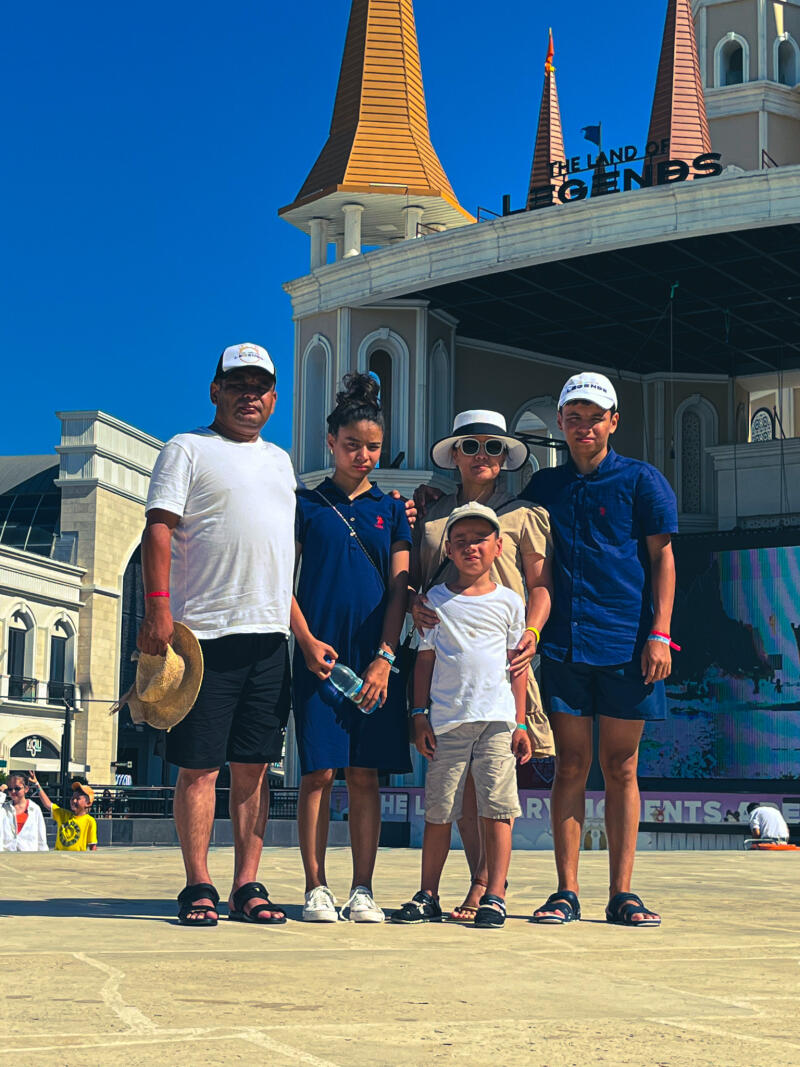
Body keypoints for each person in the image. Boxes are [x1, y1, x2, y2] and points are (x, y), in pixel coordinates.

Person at [138, 342, 295, 926]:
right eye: (238, 384)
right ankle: (198, 883)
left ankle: (247, 883)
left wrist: (298, 633)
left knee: (255, 767)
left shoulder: (281, 462)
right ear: (215, 390)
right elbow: (158, 530)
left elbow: (281, 558)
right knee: (200, 767)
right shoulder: (187, 448)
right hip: (203, 636)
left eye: (259, 387)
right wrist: (158, 608)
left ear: (274, 398)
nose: (248, 395)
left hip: (268, 636)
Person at [522, 372, 676, 928]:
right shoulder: (545, 488)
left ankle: (622, 893)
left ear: (613, 421)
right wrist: (427, 505)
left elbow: (662, 559)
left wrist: (659, 634)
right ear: (561, 423)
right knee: (570, 766)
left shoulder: (642, 481)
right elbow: (495, 526)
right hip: (563, 647)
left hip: (627, 647)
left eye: (595, 417)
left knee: (621, 766)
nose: (584, 426)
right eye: (574, 417)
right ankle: (565, 890)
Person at [411, 409, 552, 921]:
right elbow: (417, 584)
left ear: (506, 457)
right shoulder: (430, 517)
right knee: (458, 789)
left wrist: (531, 635)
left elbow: (539, 586)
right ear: (453, 454)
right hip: (450, 668)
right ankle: (475, 881)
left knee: (492, 787)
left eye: (493, 447)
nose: (482, 456)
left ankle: (491, 887)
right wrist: (412, 604)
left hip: (506, 662)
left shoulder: (523, 515)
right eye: (471, 446)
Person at [291, 373, 412, 923]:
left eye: (373, 447)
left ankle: (363, 888)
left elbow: (400, 590)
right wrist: (306, 639)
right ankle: (316, 887)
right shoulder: (305, 504)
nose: (362, 455)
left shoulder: (392, 510)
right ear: (330, 443)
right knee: (318, 773)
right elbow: (279, 581)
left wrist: (385, 660)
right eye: (351, 445)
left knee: (366, 775)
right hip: (318, 661)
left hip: (373, 664)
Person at [393, 503, 531, 929]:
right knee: (439, 810)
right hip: (448, 722)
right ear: (448, 550)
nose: (472, 547)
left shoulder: (510, 602)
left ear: (499, 547)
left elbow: (517, 667)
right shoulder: (434, 601)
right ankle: (428, 893)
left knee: (498, 807)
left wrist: (521, 722)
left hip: (496, 722)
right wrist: (419, 716)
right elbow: (424, 662)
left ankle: (494, 894)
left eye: (481, 539)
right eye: (462, 541)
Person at [30, 774, 97, 851]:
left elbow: (93, 846)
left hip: (77, 860)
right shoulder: (63, 814)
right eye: (73, 798)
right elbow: (48, 804)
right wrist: (37, 784)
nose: (74, 801)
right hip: (59, 858)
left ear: (88, 803)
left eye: (78, 798)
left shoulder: (90, 821)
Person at [0, 772, 48, 851]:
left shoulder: (35, 809)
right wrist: (1, 793)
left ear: (26, 789)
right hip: (6, 858)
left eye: (17, 788)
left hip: (29, 858)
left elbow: (41, 838)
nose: (13, 791)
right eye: (10, 789)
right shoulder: (3, 809)